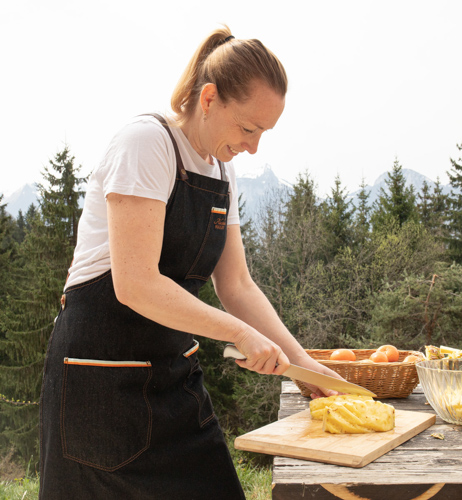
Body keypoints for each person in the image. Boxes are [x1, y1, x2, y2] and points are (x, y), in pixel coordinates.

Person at [38, 26, 344, 500]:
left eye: (264, 133)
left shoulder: (223, 169)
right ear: (209, 98)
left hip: (171, 375)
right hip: (98, 383)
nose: (254, 147)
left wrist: (304, 366)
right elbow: (135, 284)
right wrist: (239, 334)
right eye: (248, 128)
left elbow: (237, 285)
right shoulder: (146, 143)